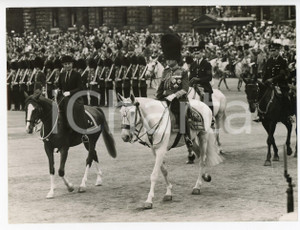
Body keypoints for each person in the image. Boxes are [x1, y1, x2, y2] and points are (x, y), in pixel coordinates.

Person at [156, 33, 193, 148]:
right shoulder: (165, 72)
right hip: (165, 99)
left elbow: (185, 89)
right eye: (167, 59)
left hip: (178, 100)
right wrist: (158, 97)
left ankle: (187, 137)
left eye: (170, 59)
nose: (167, 61)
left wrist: (174, 96)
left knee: (181, 115)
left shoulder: (182, 72)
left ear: (175, 59)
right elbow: (161, 86)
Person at [254, 42, 291, 122]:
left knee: (284, 96)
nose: (272, 52)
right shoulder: (269, 61)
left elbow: (282, 75)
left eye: (273, 50)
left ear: (278, 51)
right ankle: (260, 114)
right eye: (271, 50)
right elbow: (266, 73)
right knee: (260, 94)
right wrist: (263, 82)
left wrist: (272, 79)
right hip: (269, 83)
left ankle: (287, 115)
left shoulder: (282, 61)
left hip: (280, 83)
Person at [56, 55, 89, 142]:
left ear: (72, 64)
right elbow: (59, 85)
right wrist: (57, 90)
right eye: (66, 64)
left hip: (75, 97)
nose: (68, 66)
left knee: (78, 109)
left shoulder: (77, 74)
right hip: (64, 97)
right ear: (63, 65)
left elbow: (80, 88)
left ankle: (83, 132)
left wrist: (70, 92)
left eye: (69, 64)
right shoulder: (62, 74)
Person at [189, 42, 214, 114]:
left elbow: (209, 77)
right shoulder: (193, 64)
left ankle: (211, 117)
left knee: (207, 99)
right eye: (195, 53)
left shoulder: (207, 64)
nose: (196, 55)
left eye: (198, 53)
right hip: (194, 86)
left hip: (204, 86)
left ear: (202, 53)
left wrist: (199, 79)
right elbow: (190, 76)